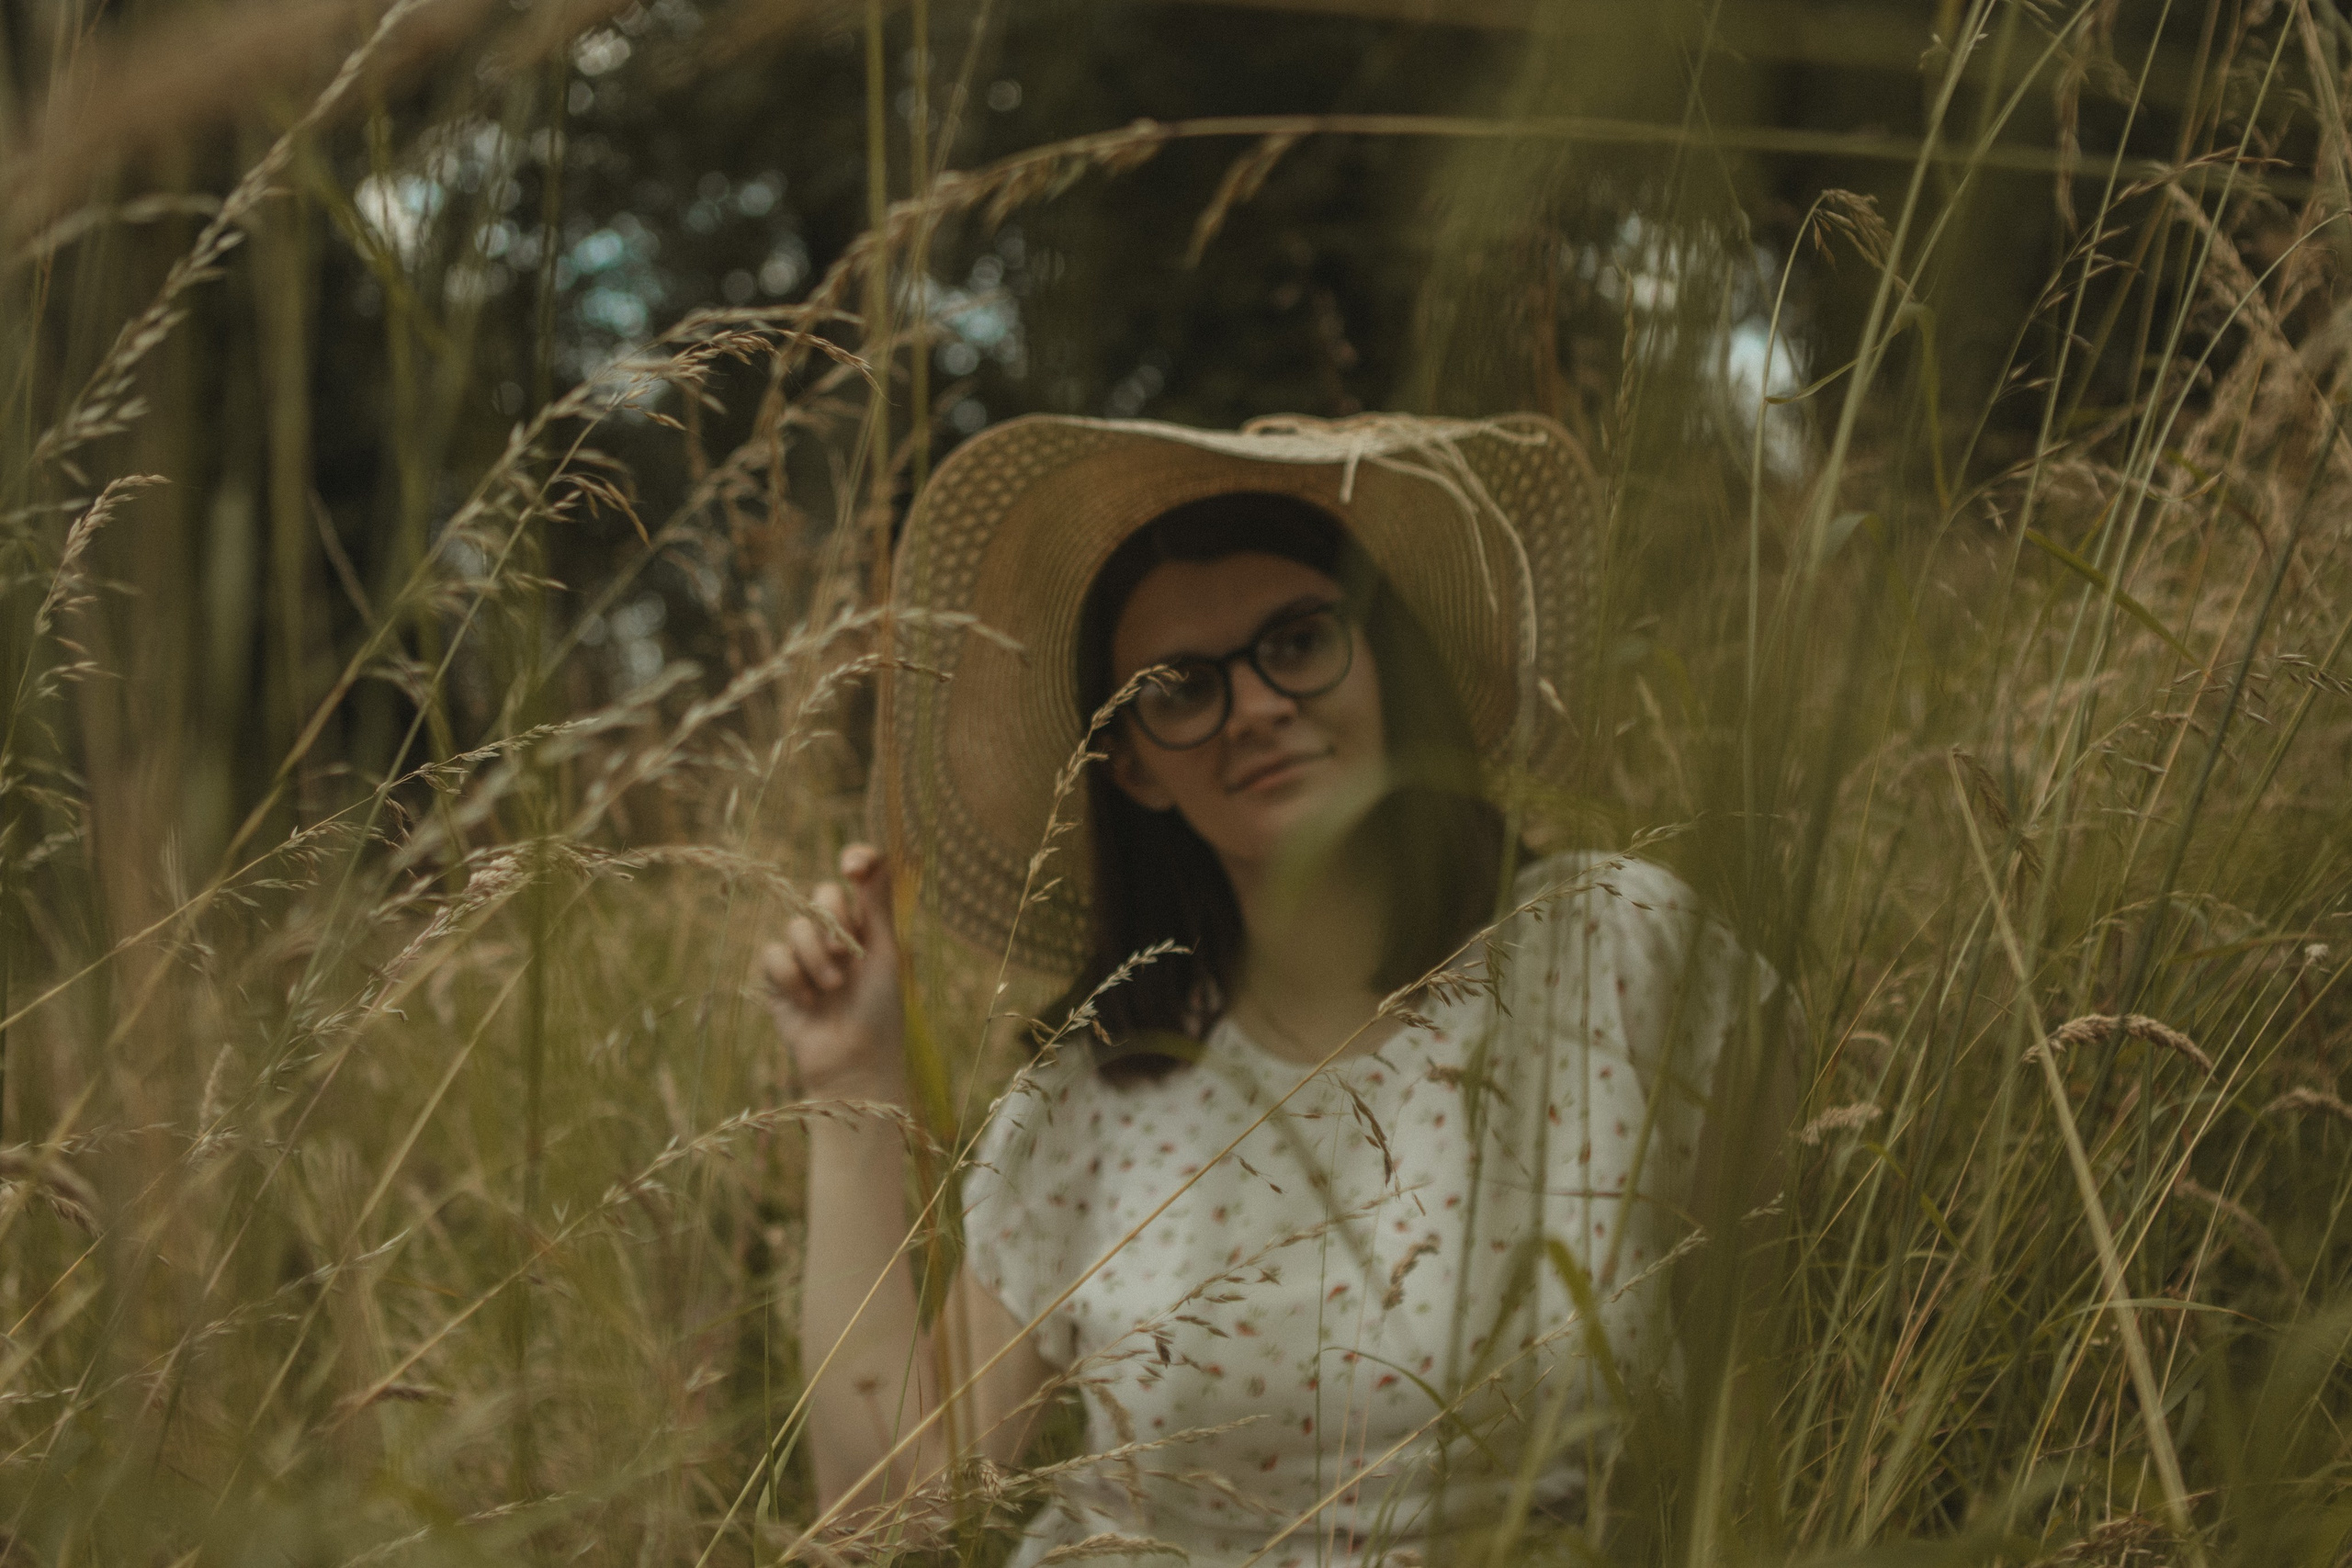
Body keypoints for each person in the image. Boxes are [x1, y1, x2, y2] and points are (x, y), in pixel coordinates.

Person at [763, 413, 1787, 1566]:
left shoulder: (1622, 951)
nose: (1252, 706)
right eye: (1177, 686)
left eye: (1297, 642)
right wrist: (850, 1082)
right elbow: (883, 1519)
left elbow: (1795, 1369)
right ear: (1134, 764)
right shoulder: (1090, 1098)